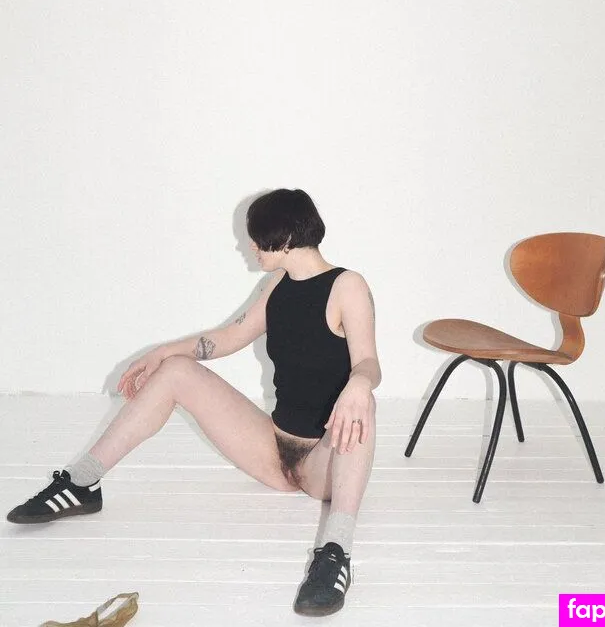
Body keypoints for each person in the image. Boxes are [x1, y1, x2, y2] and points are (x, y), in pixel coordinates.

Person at [6, 188, 380, 617]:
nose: (251, 247)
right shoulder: (278, 284)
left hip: (324, 463)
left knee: (365, 406)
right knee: (176, 371)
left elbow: (369, 363)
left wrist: (359, 384)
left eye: (258, 238)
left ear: (287, 237)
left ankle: (335, 553)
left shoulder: (347, 286)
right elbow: (229, 337)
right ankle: (82, 484)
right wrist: (163, 353)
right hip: (272, 451)